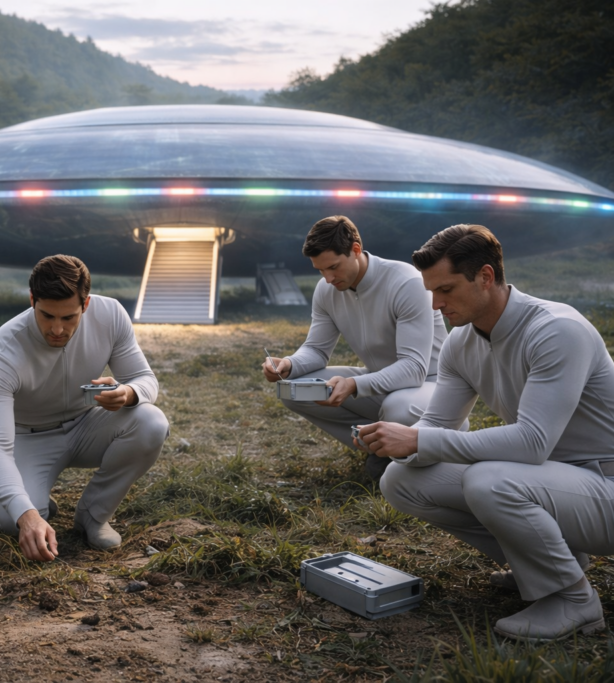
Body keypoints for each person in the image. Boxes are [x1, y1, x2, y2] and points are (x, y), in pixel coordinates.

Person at [362, 224, 613, 642]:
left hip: (604, 484)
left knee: (490, 480)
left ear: (485, 276)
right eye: (430, 291)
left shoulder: (556, 330)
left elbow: (532, 444)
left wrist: (420, 440)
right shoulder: (463, 343)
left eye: (445, 289)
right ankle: (553, 563)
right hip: (560, 483)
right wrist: (396, 441)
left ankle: (573, 600)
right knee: (401, 480)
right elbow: (437, 425)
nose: (435, 304)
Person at [0, 255, 168, 560]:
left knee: (151, 422)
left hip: (87, 425)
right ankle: (37, 503)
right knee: (10, 521)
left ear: (86, 304)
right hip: (28, 438)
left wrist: (128, 392)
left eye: (69, 318)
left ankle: (93, 515)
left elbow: (146, 379)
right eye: (47, 315)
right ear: (32, 300)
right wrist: (27, 515)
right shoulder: (2, 353)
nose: (56, 329)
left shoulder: (110, 314)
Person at [262, 215, 449, 482]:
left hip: (430, 386)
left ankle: (417, 453)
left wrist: (353, 385)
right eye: (320, 270)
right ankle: (377, 448)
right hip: (379, 381)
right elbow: (316, 349)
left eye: (334, 267)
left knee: (397, 408)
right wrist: (289, 365)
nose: (327, 278)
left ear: (356, 250)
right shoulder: (327, 289)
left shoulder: (406, 282)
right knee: (296, 389)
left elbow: (414, 369)